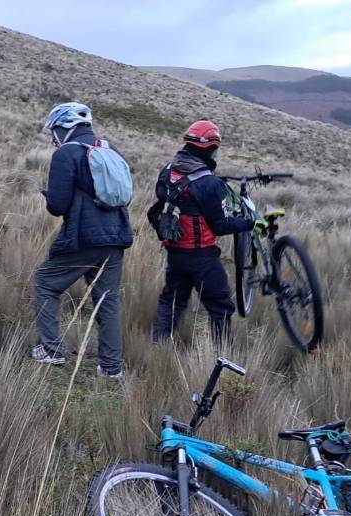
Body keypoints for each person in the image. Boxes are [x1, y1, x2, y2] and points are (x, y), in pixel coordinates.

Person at [29, 102, 132, 378]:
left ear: (65, 126)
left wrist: (50, 196)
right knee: (107, 301)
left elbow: (58, 207)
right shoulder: (110, 149)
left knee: (45, 283)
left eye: (54, 130)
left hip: (84, 238)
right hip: (116, 236)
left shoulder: (66, 154)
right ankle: (111, 368)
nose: (53, 137)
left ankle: (51, 350)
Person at [148, 120, 264, 342]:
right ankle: (222, 356)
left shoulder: (168, 171)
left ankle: (158, 347)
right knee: (221, 306)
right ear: (211, 148)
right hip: (202, 257)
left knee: (171, 303)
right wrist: (250, 224)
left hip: (175, 252)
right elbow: (220, 225)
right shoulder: (210, 183)